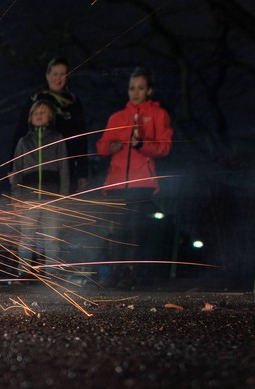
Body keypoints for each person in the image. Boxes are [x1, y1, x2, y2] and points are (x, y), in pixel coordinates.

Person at [95, 66, 173, 287]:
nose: (135, 93)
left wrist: (141, 144)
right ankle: (115, 272)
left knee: (135, 229)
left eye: (140, 88)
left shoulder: (158, 115)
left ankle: (132, 272)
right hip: (117, 182)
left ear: (149, 90)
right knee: (118, 228)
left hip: (142, 182)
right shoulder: (118, 117)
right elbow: (101, 146)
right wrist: (112, 146)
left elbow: (165, 147)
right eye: (132, 88)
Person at [10, 100, 70, 279]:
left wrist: (63, 197)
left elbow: (64, 169)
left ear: (50, 117)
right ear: (30, 117)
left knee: (51, 238)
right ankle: (23, 273)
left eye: (43, 112)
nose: (39, 114)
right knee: (27, 238)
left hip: (51, 198)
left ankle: (52, 274)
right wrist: (16, 198)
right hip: (28, 198)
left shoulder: (58, 139)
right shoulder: (24, 142)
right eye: (35, 112)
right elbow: (17, 171)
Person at [13, 57, 89, 193]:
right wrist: (12, 168)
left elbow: (81, 138)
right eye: (55, 74)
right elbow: (20, 132)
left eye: (62, 74)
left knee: (63, 205)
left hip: (67, 165)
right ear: (47, 75)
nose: (58, 78)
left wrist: (82, 171)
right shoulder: (36, 100)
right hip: (35, 166)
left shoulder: (73, 103)